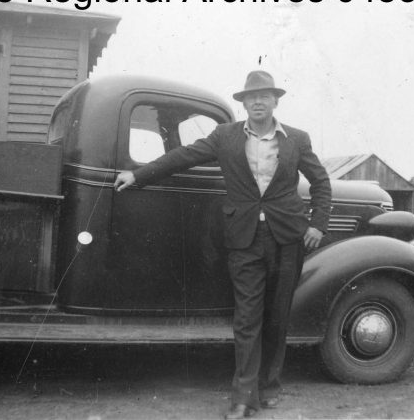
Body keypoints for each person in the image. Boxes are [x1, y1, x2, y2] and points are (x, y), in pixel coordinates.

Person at [114, 70, 332, 419]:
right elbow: (182, 156)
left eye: (264, 96)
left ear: (275, 101)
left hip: (288, 238)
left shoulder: (297, 139)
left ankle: (269, 385)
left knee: (277, 317)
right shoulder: (224, 136)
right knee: (247, 319)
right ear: (244, 103)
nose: (258, 102)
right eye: (251, 97)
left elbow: (321, 182)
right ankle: (243, 398)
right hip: (244, 239)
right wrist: (138, 175)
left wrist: (318, 225)